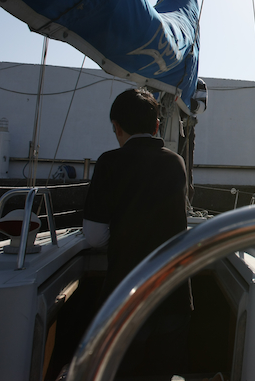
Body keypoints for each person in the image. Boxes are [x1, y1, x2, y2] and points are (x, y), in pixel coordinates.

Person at [82, 88, 192, 376]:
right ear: (157, 126)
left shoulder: (109, 162)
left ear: (116, 127)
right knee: (162, 372)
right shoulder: (176, 162)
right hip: (173, 293)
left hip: (127, 294)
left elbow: (94, 235)